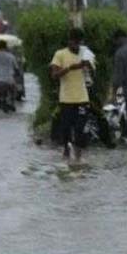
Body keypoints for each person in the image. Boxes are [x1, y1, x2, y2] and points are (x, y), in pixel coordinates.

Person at [49, 28, 94, 163]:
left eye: (77, 43)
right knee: (66, 128)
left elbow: (92, 73)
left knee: (81, 129)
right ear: (69, 40)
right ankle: (66, 153)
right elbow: (54, 75)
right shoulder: (60, 54)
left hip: (82, 98)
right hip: (66, 99)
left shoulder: (86, 54)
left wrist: (88, 66)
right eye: (72, 42)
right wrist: (69, 68)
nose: (74, 45)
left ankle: (78, 158)